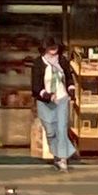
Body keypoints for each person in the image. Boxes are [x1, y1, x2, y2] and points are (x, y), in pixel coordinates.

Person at [31, 35, 76, 172]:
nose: (53, 49)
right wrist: (48, 96)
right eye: (50, 47)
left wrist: (71, 89)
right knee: (50, 131)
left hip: (62, 99)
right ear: (44, 48)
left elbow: (68, 77)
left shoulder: (62, 60)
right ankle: (57, 154)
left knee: (61, 129)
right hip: (45, 102)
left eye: (55, 47)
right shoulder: (38, 63)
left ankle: (63, 159)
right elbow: (36, 87)